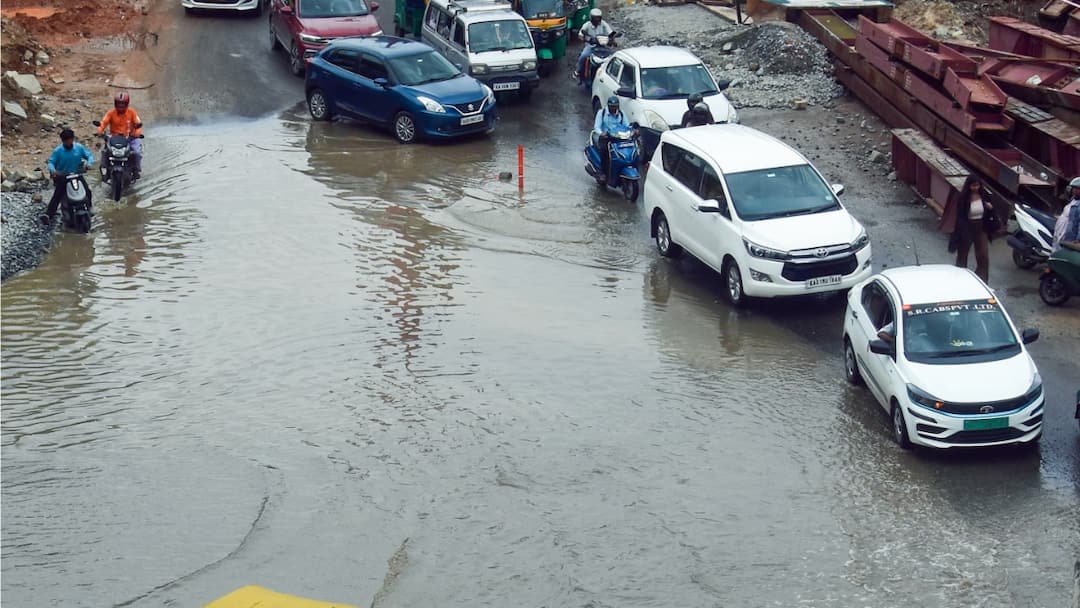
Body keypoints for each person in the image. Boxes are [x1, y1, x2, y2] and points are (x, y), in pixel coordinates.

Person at [944, 176, 995, 282]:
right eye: (973, 186)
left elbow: (990, 212)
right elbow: (960, 216)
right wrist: (963, 231)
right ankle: (960, 279)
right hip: (967, 227)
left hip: (981, 227)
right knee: (963, 255)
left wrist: (990, 208)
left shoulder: (984, 195)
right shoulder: (963, 198)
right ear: (969, 186)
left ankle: (982, 281)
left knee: (983, 256)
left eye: (977, 185)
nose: (975, 188)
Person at [41, 128, 95, 225]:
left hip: (77, 174)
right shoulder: (58, 151)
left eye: (70, 139)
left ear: (73, 139)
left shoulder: (79, 148)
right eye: (66, 140)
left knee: (88, 191)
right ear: (62, 141)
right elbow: (51, 162)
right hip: (62, 177)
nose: (68, 142)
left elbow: (89, 155)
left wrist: (89, 163)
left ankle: (90, 207)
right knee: (57, 195)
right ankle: (49, 214)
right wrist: (53, 171)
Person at [96, 91, 144, 179]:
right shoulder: (111, 113)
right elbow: (103, 122)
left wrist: (136, 133)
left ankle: (136, 170)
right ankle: (104, 170)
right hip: (114, 139)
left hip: (130, 138)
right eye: (118, 104)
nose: (120, 106)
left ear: (127, 104)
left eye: (123, 104)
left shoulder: (132, 112)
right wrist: (100, 130)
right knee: (105, 151)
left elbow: (138, 123)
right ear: (115, 104)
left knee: (136, 152)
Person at [592, 95, 630, 182]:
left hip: (618, 138)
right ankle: (602, 172)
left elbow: (626, 125)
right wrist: (602, 133)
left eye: (615, 107)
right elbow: (596, 127)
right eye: (612, 107)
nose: (614, 109)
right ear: (608, 106)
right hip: (606, 138)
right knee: (605, 153)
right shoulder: (602, 113)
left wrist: (632, 131)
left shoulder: (621, 113)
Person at [574, 8, 613, 81]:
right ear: (591, 18)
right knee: (583, 56)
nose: (597, 20)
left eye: (598, 18)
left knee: (613, 56)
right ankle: (578, 70)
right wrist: (586, 39)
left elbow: (610, 32)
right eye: (595, 18)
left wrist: (612, 38)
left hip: (603, 45)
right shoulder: (587, 25)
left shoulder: (604, 24)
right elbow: (580, 35)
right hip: (591, 46)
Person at [1053, 176, 1080, 251]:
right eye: (1074, 188)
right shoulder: (1073, 200)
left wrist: (1078, 239)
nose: (1075, 190)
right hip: (1061, 231)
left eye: (1077, 189)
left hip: (1069, 234)